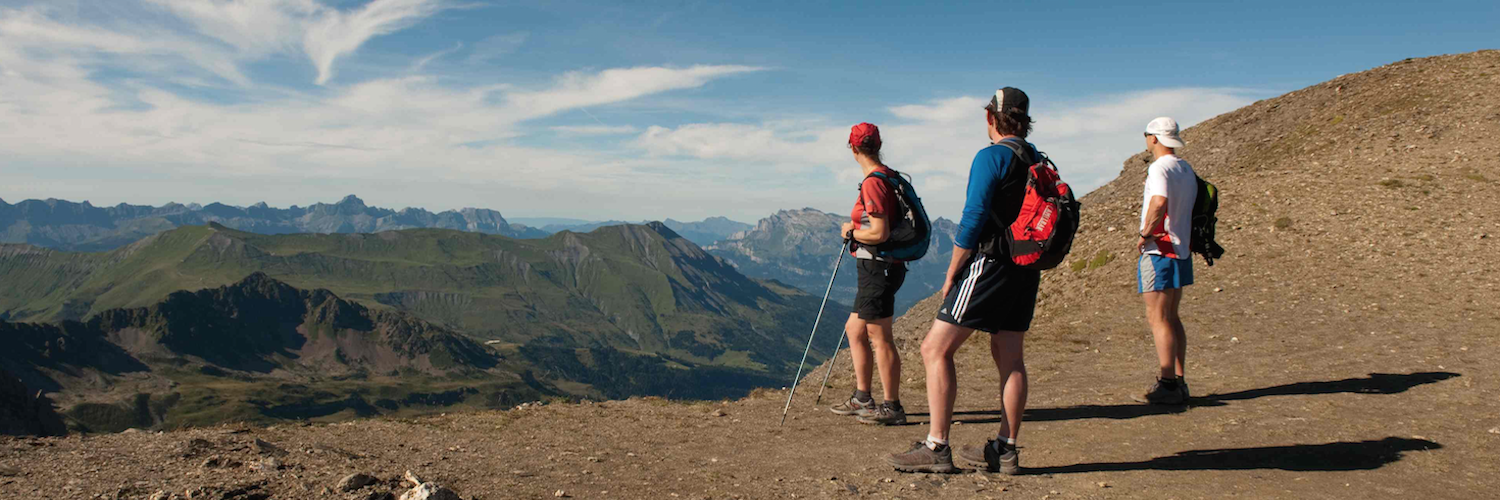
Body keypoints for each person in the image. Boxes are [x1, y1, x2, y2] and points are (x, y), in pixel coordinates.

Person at [885, 88, 1040, 474]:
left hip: (991, 264)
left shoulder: (992, 156)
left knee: (934, 349)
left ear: (991, 118)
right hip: (1026, 266)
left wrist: (953, 269)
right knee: (1011, 357)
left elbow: (972, 218)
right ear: (1025, 120)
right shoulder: (1037, 159)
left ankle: (937, 446)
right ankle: (1006, 449)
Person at [829, 122, 908, 425]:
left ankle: (892, 407)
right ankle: (863, 396)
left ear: (853, 148)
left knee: (879, 335)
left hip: (879, 267)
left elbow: (879, 231)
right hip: (881, 267)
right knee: (855, 329)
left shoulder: (874, 183)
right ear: (878, 144)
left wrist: (852, 230)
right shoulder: (888, 177)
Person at [1133, 117, 1198, 405]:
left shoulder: (1159, 168)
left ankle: (1167, 383)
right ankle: (1179, 380)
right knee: (1172, 316)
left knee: (1157, 318)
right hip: (1181, 248)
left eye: (1147, 135)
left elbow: (1159, 202)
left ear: (1155, 139)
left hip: (1159, 249)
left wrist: (1145, 232)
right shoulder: (1185, 168)